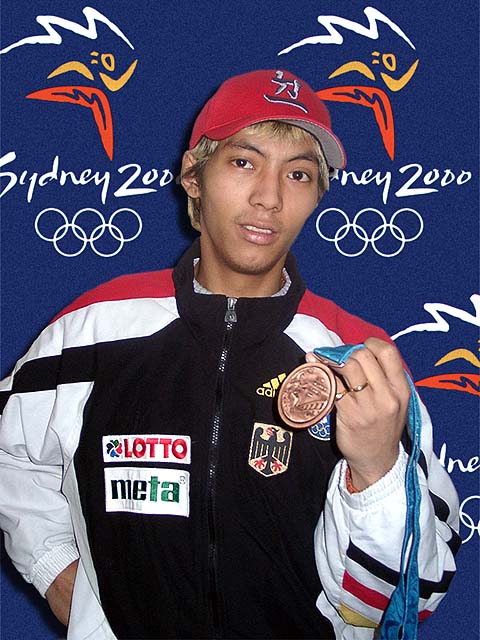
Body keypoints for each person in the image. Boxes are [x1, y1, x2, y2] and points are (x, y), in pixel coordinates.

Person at [0, 69, 459, 640]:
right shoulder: (92, 330)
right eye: (244, 162)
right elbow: (11, 457)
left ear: (318, 195)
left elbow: (410, 599)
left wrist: (377, 470)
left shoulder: (361, 361)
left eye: (298, 174)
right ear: (194, 176)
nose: (269, 197)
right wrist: (54, 569)